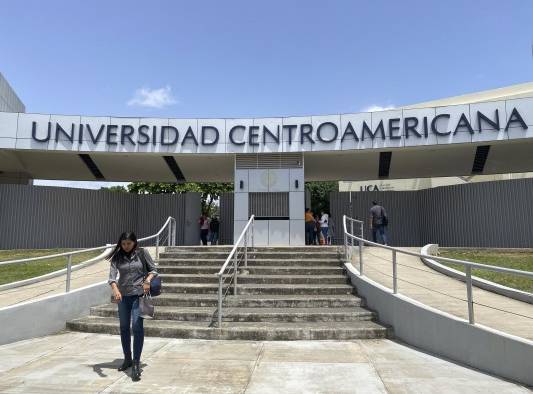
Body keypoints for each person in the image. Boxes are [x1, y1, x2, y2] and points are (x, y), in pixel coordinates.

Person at [107, 232, 158, 382]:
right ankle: (127, 359)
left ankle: (136, 363)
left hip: (139, 295)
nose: (125, 246)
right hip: (123, 297)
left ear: (135, 243)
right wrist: (115, 289)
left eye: (128, 243)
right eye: (123, 244)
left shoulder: (142, 253)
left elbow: (153, 269)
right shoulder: (117, 256)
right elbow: (112, 277)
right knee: (123, 327)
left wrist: (148, 280)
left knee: (136, 326)